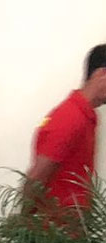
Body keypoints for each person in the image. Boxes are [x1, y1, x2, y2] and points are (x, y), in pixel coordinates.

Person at [24, 43, 106, 214]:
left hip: (71, 234)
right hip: (53, 235)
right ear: (101, 74)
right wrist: (23, 227)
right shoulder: (70, 117)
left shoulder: (87, 116)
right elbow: (37, 176)